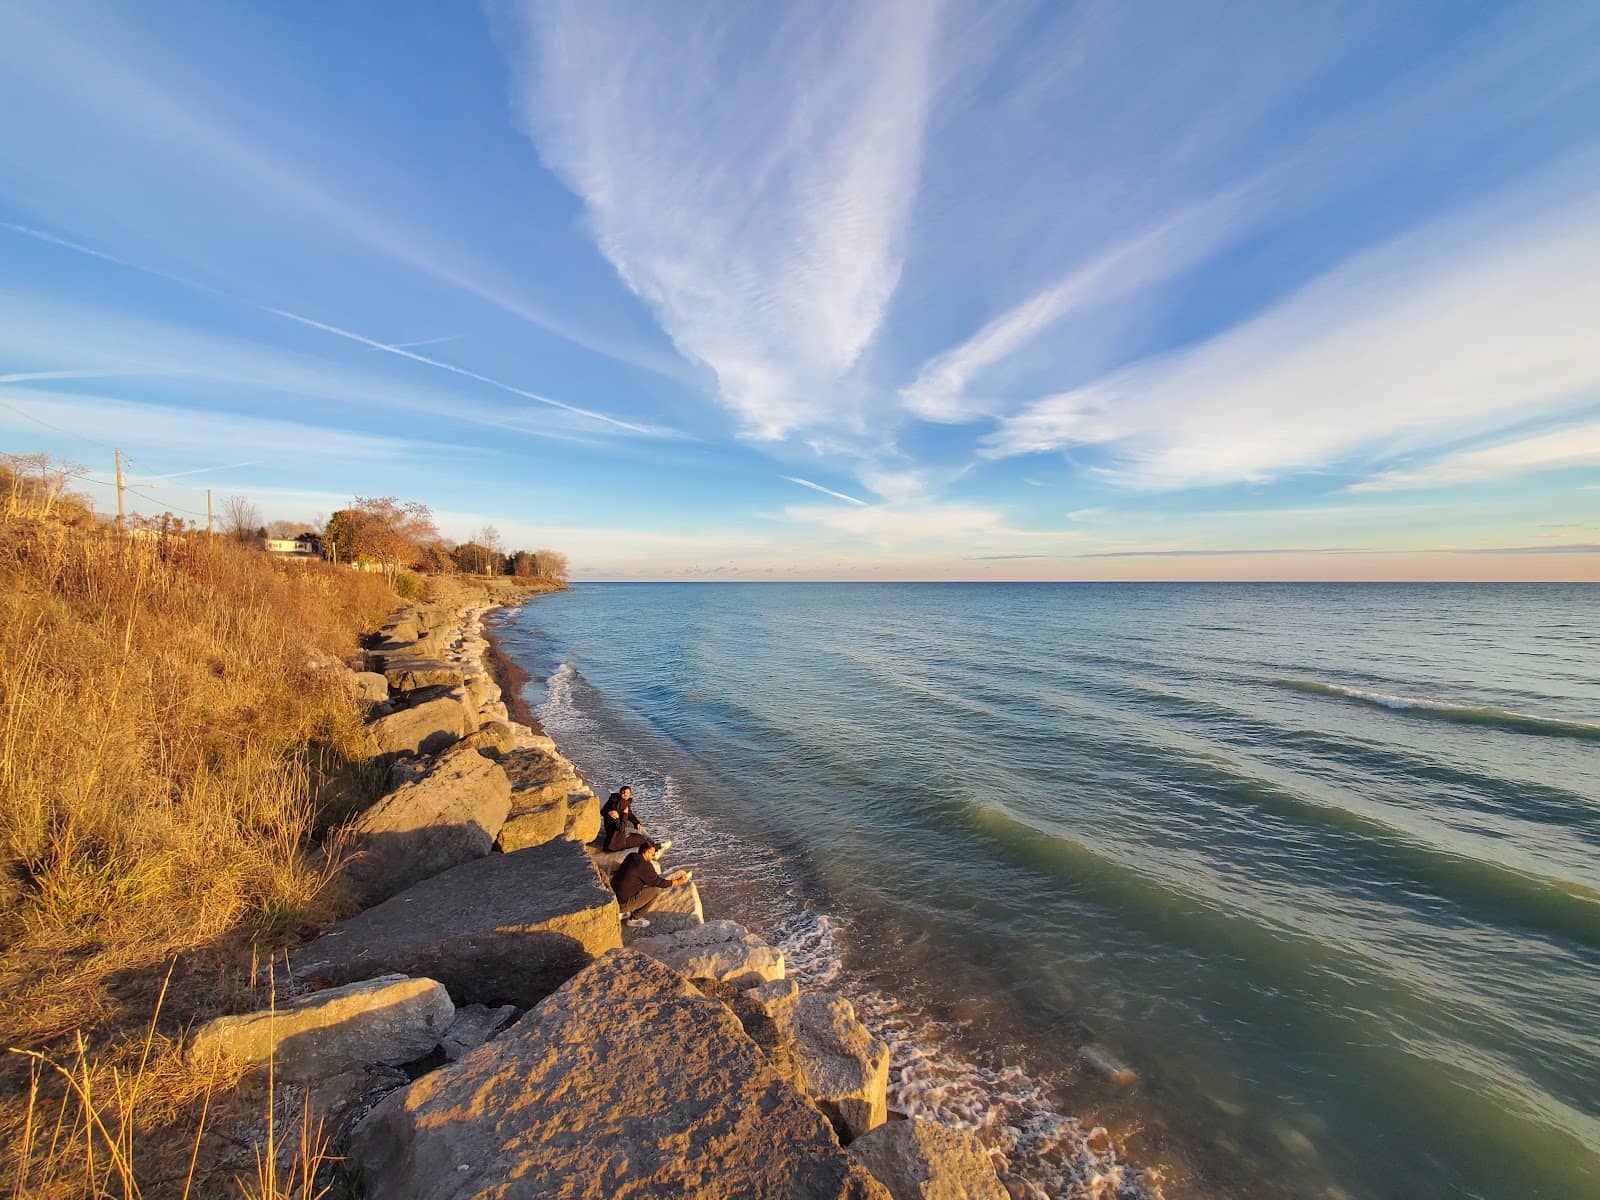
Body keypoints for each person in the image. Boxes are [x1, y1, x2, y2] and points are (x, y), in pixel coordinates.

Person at [611, 841, 691, 918]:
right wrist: (677, 882)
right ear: (645, 852)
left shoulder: (632, 856)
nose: (653, 857)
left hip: (613, 896)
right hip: (621, 904)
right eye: (652, 854)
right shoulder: (644, 866)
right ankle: (634, 918)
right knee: (656, 890)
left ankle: (625, 911)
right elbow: (659, 882)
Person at [601, 785, 669, 853]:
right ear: (619, 793)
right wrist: (624, 814)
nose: (625, 794)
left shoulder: (622, 802)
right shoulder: (618, 806)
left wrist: (637, 822)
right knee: (642, 841)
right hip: (615, 840)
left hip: (618, 833)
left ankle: (655, 845)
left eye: (628, 793)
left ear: (630, 794)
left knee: (640, 835)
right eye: (624, 792)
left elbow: (630, 814)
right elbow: (621, 828)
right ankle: (654, 849)